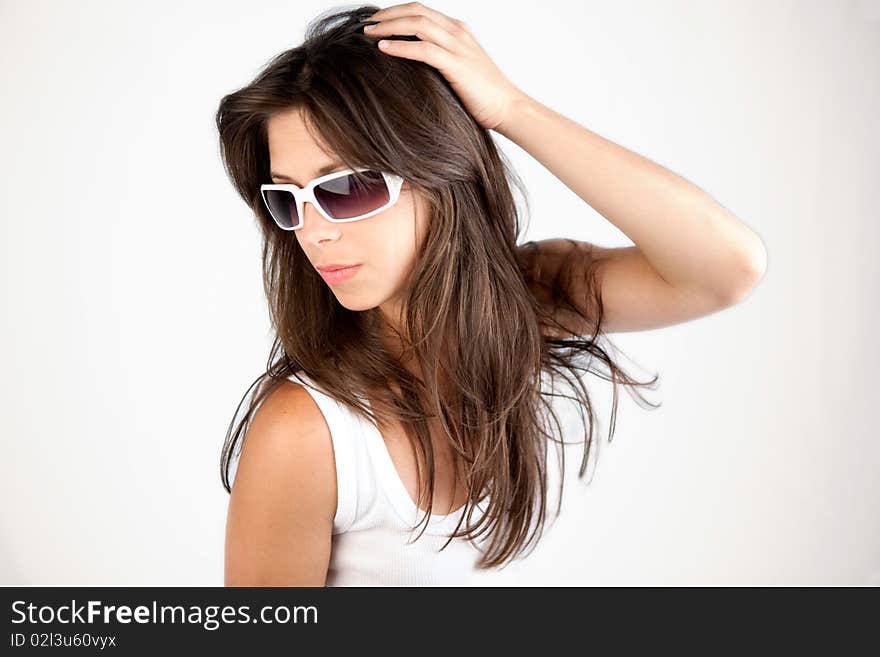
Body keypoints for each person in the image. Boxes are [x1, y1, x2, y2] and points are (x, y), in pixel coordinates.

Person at [216, 3, 767, 586]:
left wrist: (511, 109)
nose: (315, 230)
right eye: (288, 199)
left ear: (438, 171)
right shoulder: (305, 432)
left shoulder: (523, 303)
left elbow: (727, 267)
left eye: (347, 188)